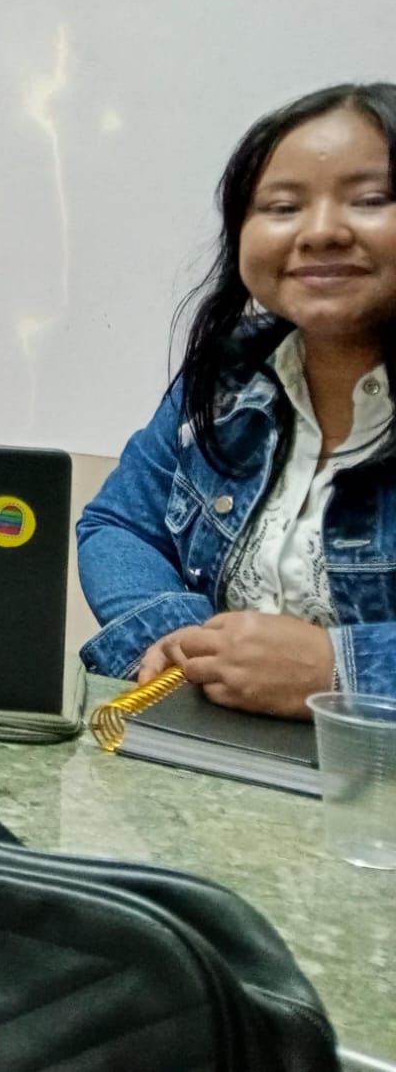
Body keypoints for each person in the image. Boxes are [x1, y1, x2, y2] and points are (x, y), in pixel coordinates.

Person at [79, 83, 396, 712]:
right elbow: (119, 526)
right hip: (218, 752)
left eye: (371, 200)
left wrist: (344, 672)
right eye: (282, 207)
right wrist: (181, 637)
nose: (321, 232)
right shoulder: (228, 375)